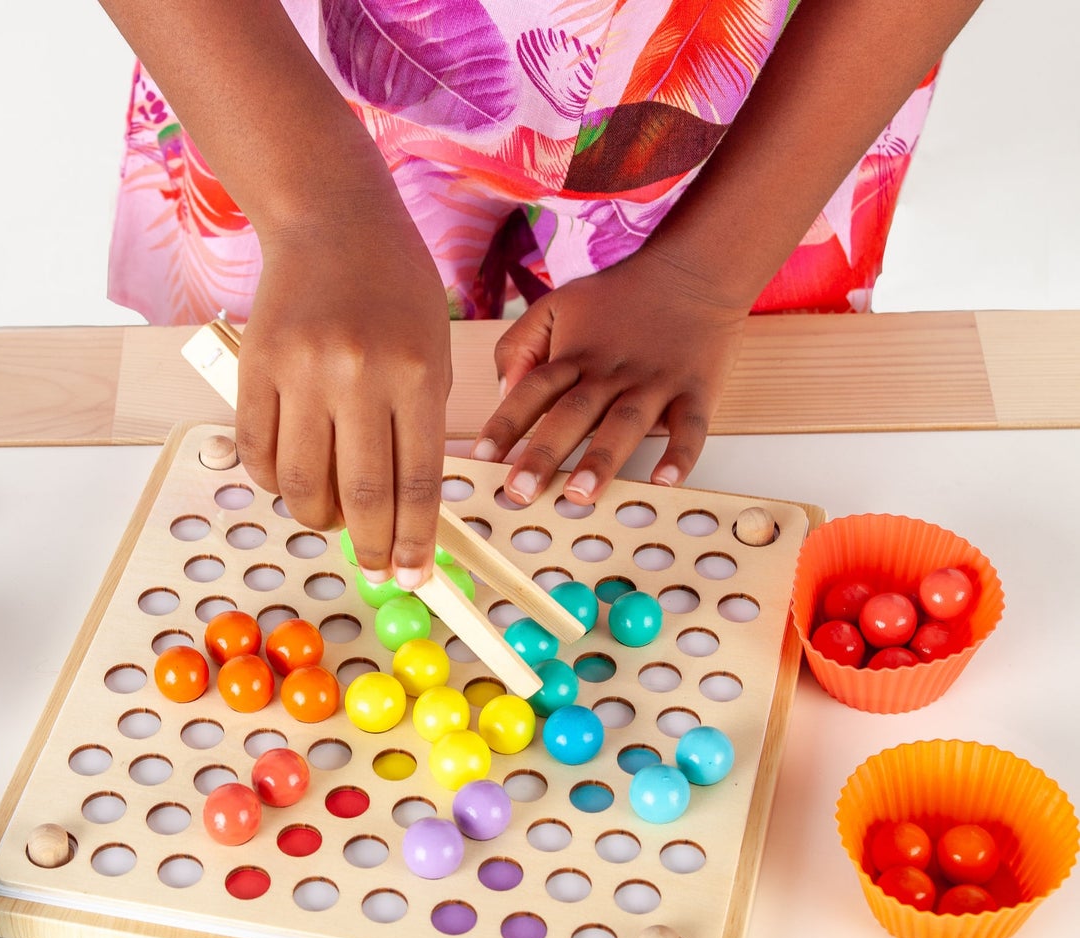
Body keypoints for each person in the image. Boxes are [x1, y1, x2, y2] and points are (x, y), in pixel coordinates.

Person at [98, 0, 982, 588]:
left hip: (751, 102)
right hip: (289, 83)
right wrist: (315, 209)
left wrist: (703, 277)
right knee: (306, 427)